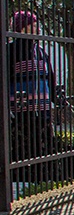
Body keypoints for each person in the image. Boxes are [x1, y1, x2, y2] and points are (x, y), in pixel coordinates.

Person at [7, 11, 58, 162]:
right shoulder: (10, 51)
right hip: (20, 112)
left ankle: (44, 173)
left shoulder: (40, 52)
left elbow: (50, 77)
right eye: (34, 25)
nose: (38, 29)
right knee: (23, 146)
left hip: (43, 110)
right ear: (22, 28)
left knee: (44, 144)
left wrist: (56, 99)